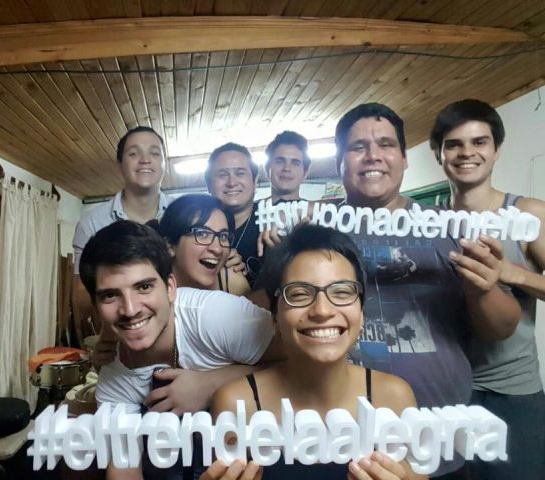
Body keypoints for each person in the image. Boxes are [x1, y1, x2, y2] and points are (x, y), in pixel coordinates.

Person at [332, 103, 521, 478]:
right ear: (339, 162)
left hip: (439, 442)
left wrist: (482, 291)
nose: (373, 155)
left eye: (386, 144)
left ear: (404, 159)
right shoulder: (313, 231)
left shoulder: (452, 226)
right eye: (358, 147)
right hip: (336, 439)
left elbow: (500, 328)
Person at [207, 224, 425, 480]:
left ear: (362, 313)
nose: (322, 310)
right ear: (274, 316)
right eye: (299, 294)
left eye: (342, 292)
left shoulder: (394, 397)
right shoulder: (236, 404)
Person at [79, 220, 282, 479]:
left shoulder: (214, 316)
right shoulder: (114, 375)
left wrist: (211, 384)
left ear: (170, 288)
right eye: (110, 295)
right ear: (96, 305)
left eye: (144, 287)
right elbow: (124, 469)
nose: (130, 309)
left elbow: (304, 365)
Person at [429, 98, 545, 479]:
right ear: (438, 154)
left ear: (497, 150)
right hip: (446, 389)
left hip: (511, 392)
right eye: (454, 144)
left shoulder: (528, 214)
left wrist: (513, 274)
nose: (467, 153)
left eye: (479, 142)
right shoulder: (428, 222)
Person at [72, 126, 172, 336]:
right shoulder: (92, 222)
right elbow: (82, 294)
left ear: (164, 163)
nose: (145, 160)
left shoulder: (182, 215)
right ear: (120, 165)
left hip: (176, 334)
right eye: (134, 153)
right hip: (120, 335)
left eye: (155, 153)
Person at [151, 194, 250, 296]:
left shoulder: (232, 282)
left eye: (223, 236)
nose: (217, 249)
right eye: (202, 234)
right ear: (170, 246)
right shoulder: (151, 288)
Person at [204, 142, 267, 286]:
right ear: (209, 185)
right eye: (222, 175)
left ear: (255, 182)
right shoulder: (196, 228)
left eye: (240, 173)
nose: (232, 182)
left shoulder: (273, 219)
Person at [264, 130, 311, 203]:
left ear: (305, 173)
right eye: (279, 161)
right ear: (267, 169)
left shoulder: (316, 210)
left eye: (295, 163)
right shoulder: (249, 209)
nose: (286, 168)